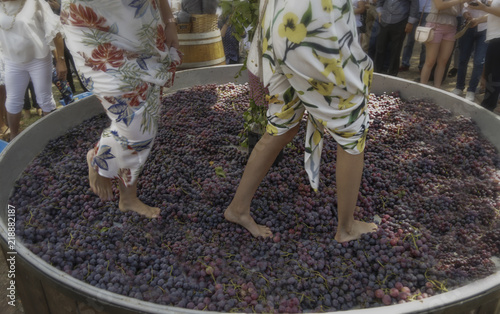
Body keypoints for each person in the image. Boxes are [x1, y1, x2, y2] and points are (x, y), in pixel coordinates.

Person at [224, 0, 378, 242]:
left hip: (282, 21)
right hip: (316, 20)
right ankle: (347, 228)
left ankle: (238, 208)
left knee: (282, 125)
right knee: (351, 127)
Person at [60, 0, 182, 218]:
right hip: (95, 33)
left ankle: (123, 190)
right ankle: (104, 165)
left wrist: (169, 21)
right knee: (134, 125)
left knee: (146, 119)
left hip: (145, 34)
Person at [0, 0, 67, 141]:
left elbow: (55, 32)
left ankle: (54, 136)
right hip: (13, 60)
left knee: (44, 98)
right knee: (12, 101)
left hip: (39, 58)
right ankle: (14, 137)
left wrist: (60, 61)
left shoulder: (35, 2)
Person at [420, 0, 465, 88]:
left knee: (443, 61)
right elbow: (439, 6)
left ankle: (437, 88)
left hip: (452, 26)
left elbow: (460, 10)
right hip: (435, 25)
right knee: (430, 61)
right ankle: (422, 88)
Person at [451, 1, 488, 101]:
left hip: (485, 28)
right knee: (463, 58)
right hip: (468, 26)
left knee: (479, 62)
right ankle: (459, 87)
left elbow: (493, 9)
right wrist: (465, 14)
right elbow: (464, 5)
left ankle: (471, 90)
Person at [469, 0, 500, 111]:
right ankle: (488, 106)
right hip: (494, 38)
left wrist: (483, 8)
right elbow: (494, 13)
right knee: (490, 74)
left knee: (494, 75)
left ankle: (487, 107)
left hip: (498, 38)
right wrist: (478, 20)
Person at [374, 0, 420, 76]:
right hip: (384, 20)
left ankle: (392, 74)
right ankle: (377, 72)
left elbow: (414, 5)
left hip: (401, 21)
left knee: (395, 50)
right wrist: (379, 11)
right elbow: (380, 2)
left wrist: (410, 22)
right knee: (380, 47)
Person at [400, 0, 432, 72]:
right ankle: (405, 63)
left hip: (428, 12)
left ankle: (422, 67)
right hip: (414, 11)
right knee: (410, 40)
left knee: (425, 41)